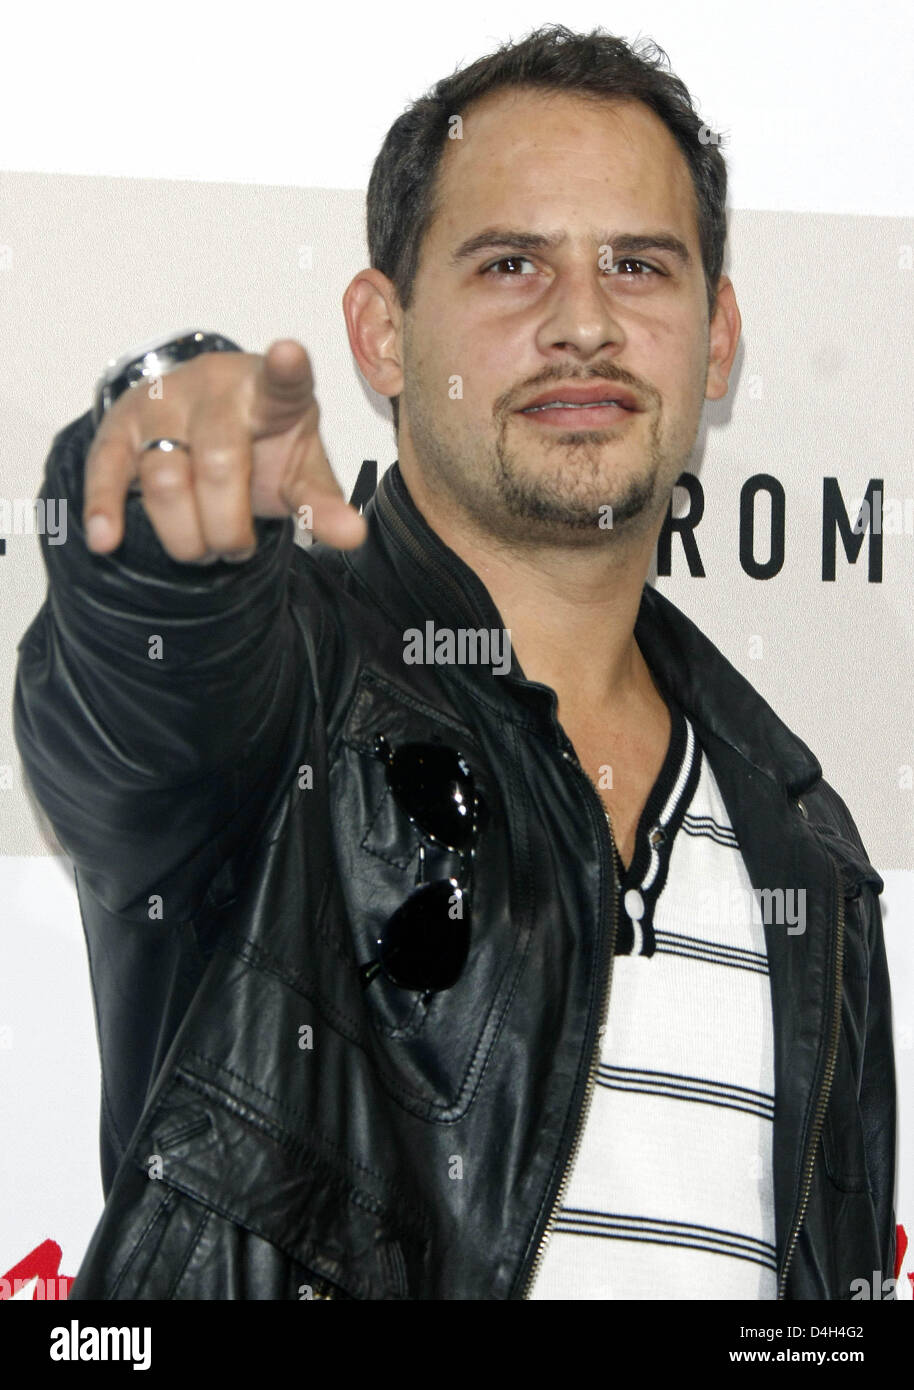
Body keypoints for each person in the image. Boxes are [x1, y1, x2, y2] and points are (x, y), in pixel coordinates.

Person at [14, 24, 895, 1300]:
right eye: (510, 265)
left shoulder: (805, 845)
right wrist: (165, 491)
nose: (582, 322)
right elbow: (151, 679)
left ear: (714, 339)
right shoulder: (288, 701)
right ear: (381, 333)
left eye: (638, 265)